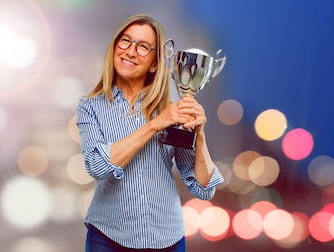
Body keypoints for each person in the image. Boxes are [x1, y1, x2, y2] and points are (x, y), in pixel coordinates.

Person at [76, 13, 224, 251]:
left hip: (167, 239)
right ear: (115, 47)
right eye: (125, 41)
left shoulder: (173, 107)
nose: (131, 51)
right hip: (107, 237)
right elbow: (97, 166)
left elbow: (203, 188)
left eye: (143, 46)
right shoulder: (90, 106)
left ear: (155, 63)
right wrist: (156, 124)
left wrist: (200, 134)